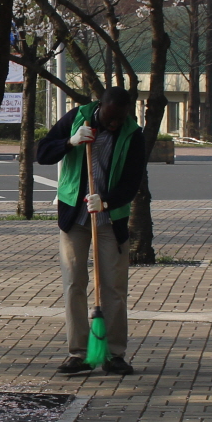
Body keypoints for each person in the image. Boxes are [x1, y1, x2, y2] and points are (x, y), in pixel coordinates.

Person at [36, 86, 148, 376]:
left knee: (112, 287)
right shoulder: (77, 119)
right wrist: (70, 142)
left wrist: (107, 201)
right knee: (74, 283)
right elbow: (43, 153)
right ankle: (80, 353)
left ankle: (113, 354)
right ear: (100, 107)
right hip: (75, 217)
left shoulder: (132, 134)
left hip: (111, 220)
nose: (113, 124)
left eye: (119, 120)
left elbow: (133, 180)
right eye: (110, 119)